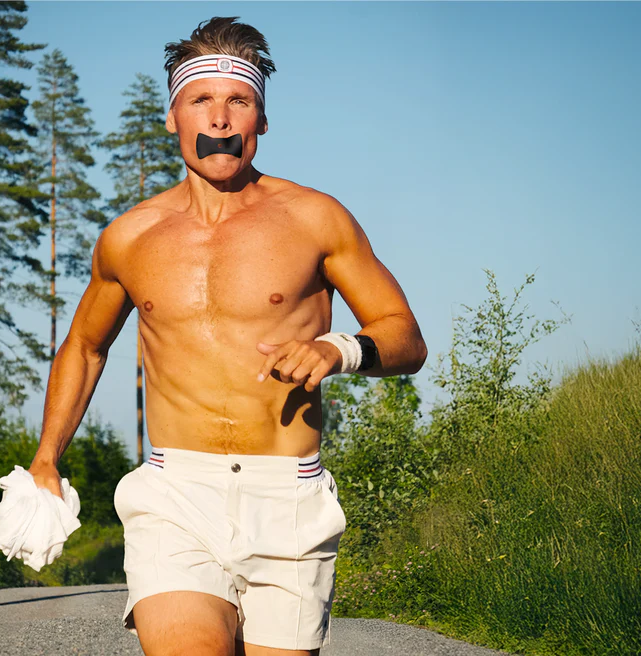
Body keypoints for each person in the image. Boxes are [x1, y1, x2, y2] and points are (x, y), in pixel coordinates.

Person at [26, 16, 427, 656]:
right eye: (201, 100)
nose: (219, 118)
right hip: (176, 493)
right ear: (172, 117)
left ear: (261, 119)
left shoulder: (315, 219)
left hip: (286, 495)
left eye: (238, 101)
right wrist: (47, 456)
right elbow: (85, 346)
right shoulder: (130, 237)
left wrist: (339, 349)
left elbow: (406, 337)